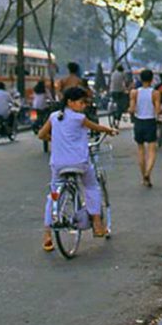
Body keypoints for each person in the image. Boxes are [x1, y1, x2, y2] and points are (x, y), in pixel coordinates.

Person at [38, 86, 119, 250]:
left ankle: (47, 235)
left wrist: (55, 140)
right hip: (79, 162)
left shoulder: (54, 117)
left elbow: (41, 135)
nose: (84, 106)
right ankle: (97, 222)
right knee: (91, 186)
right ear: (70, 102)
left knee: (53, 195)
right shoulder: (79, 118)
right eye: (82, 102)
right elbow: (96, 127)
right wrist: (110, 130)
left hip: (58, 164)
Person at [130, 69, 161, 187]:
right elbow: (157, 110)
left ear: (140, 79)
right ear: (152, 79)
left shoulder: (134, 93)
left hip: (139, 122)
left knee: (140, 150)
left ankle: (144, 178)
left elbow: (132, 109)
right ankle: (148, 173)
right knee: (152, 151)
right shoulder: (155, 93)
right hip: (150, 122)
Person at [32, 80, 50, 152]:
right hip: (43, 107)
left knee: (33, 116)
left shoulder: (35, 90)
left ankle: (34, 123)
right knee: (47, 114)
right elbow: (50, 97)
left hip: (34, 106)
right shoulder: (45, 90)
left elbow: (34, 97)